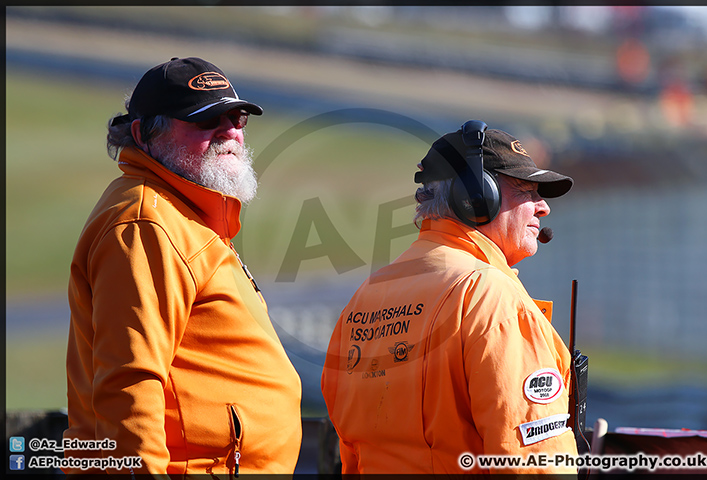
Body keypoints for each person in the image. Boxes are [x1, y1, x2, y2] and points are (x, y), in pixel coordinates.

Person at [64, 57, 302, 475]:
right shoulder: (146, 224)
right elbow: (129, 387)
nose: (230, 131)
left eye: (236, 116)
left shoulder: (182, 216)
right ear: (144, 134)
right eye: (207, 119)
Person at [321, 120, 579, 475]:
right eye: (526, 191)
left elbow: (350, 452)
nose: (542, 207)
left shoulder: (366, 296)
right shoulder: (490, 295)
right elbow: (533, 463)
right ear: (476, 197)